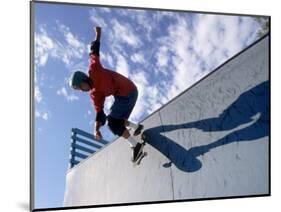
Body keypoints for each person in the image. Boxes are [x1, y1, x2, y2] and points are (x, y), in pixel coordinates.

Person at [69, 26, 144, 162]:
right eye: (80, 89)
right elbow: (99, 113)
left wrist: (98, 34)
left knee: (113, 123)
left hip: (128, 91)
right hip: (125, 95)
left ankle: (136, 146)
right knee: (114, 117)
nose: (82, 90)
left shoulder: (94, 69)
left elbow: (94, 51)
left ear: (84, 79)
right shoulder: (95, 95)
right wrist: (96, 130)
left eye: (81, 86)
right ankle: (136, 127)